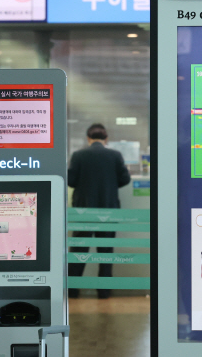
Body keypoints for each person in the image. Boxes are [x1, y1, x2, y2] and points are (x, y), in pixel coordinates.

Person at [68, 123, 131, 299]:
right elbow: (125, 178)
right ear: (106, 139)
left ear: (88, 138)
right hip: (108, 210)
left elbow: (71, 180)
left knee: (79, 251)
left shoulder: (79, 155)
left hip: (83, 211)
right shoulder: (115, 155)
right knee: (105, 253)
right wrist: (110, 185)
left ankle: (73, 290)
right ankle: (103, 292)